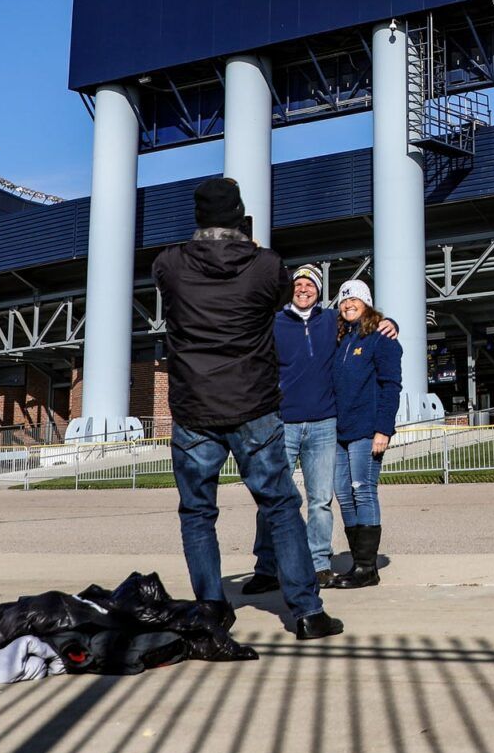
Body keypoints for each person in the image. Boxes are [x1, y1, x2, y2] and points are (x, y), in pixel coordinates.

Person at [153, 176, 343, 641]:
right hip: (253, 404)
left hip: (194, 406)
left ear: (198, 218)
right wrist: (250, 247)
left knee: (197, 512)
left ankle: (212, 609)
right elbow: (274, 295)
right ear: (239, 217)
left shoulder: (169, 265)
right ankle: (307, 612)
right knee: (280, 505)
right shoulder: (265, 266)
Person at [246, 264, 397, 594]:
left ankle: (321, 566)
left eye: (310, 284)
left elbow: (380, 355)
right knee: (273, 496)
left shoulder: (331, 322)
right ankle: (267, 568)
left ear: (318, 290)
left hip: (326, 425)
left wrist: (390, 323)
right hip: (284, 423)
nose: (303, 289)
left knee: (322, 499)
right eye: (298, 284)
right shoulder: (278, 324)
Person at [327, 279, 401, 589]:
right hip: (339, 432)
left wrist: (383, 429)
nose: (347, 305)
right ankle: (358, 563)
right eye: (343, 301)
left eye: (354, 300)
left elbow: (391, 386)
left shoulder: (381, 339)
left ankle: (367, 568)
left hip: (366, 430)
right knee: (344, 495)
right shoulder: (341, 340)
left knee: (363, 489)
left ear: (367, 303)